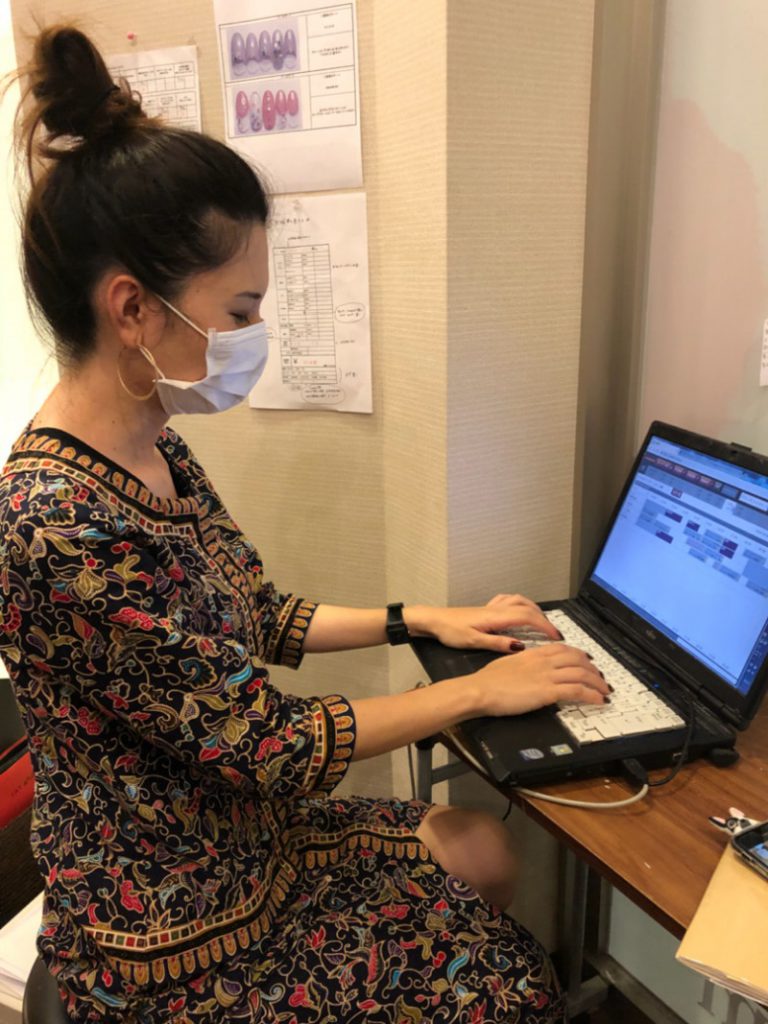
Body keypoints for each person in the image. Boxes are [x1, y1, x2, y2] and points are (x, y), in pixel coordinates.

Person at [0, 26, 607, 1024]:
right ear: (133, 308)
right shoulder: (56, 523)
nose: (255, 338)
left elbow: (261, 613)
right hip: (167, 923)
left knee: (483, 852)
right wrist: (477, 692)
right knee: (499, 985)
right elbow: (268, 743)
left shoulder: (154, 448)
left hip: (244, 841)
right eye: (240, 311)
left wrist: (424, 619)